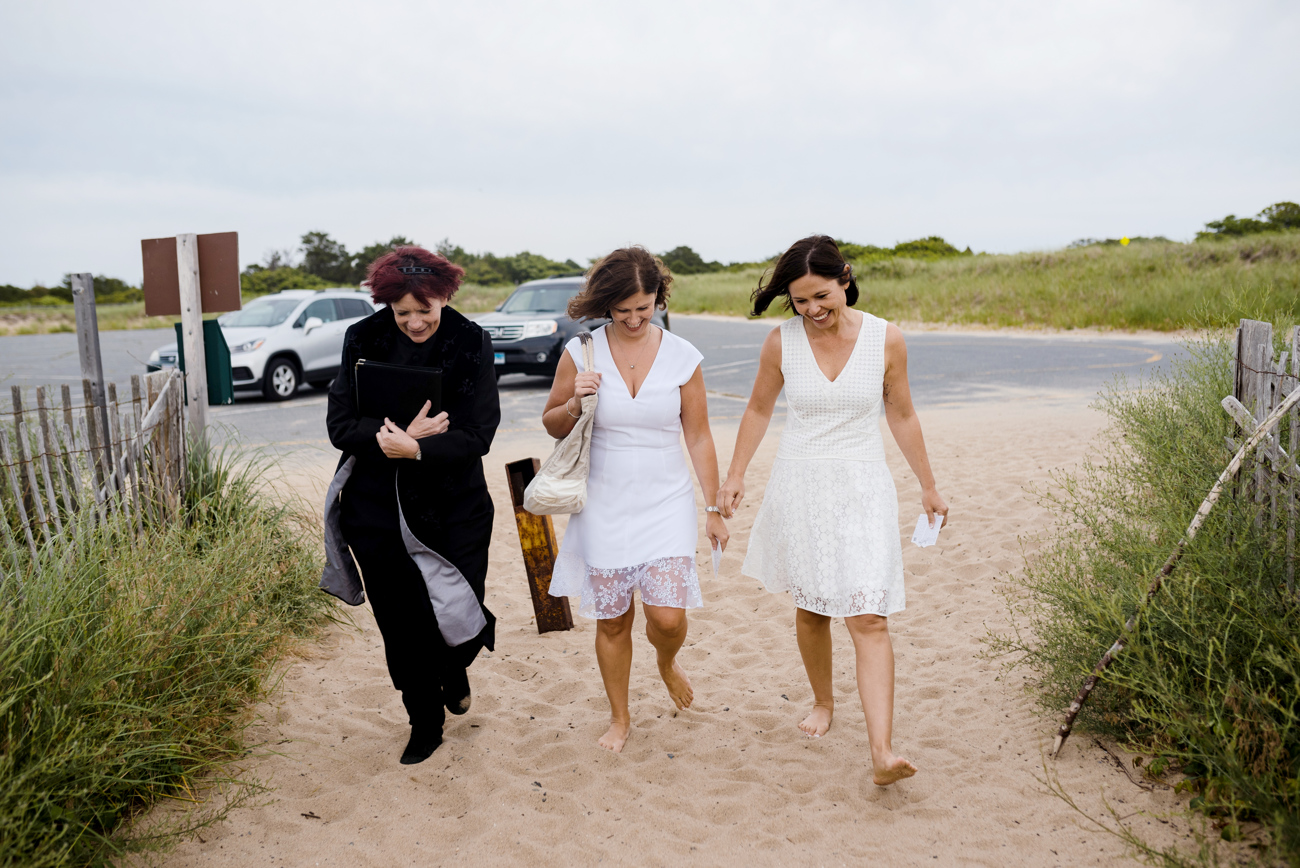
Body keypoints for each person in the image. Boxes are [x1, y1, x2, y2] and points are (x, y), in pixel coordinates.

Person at [716, 235, 948, 786]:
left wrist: (929, 486)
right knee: (814, 607)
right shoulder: (782, 343)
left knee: (868, 614)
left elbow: (904, 415)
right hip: (801, 485)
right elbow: (757, 408)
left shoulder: (886, 339)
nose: (813, 310)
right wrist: (735, 473)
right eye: (800, 301)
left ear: (844, 277)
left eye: (821, 296)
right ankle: (824, 701)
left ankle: (883, 751)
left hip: (864, 485)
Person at [542, 247, 728, 753]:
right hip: (603, 501)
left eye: (643, 308)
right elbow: (553, 424)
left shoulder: (683, 356)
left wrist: (713, 507)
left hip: (665, 499)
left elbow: (700, 436)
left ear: (658, 299)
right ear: (606, 304)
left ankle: (666, 662)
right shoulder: (580, 352)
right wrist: (575, 401)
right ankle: (620, 717)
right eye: (622, 310)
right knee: (614, 618)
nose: (632, 318)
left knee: (667, 617)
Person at [320, 246, 500, 765]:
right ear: (387, 307)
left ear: (445, 295)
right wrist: (392, 440)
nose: (415, 322)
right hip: (376, 507)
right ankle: (424, 721)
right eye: (403, 314)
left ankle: (453, 664)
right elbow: (340, 425)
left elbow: (478, 432)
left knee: (459, 608)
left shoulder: (470, 341)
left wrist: (418, 449)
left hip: (454, 504)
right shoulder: (363, 338)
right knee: (400, 621)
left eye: (426, 310)